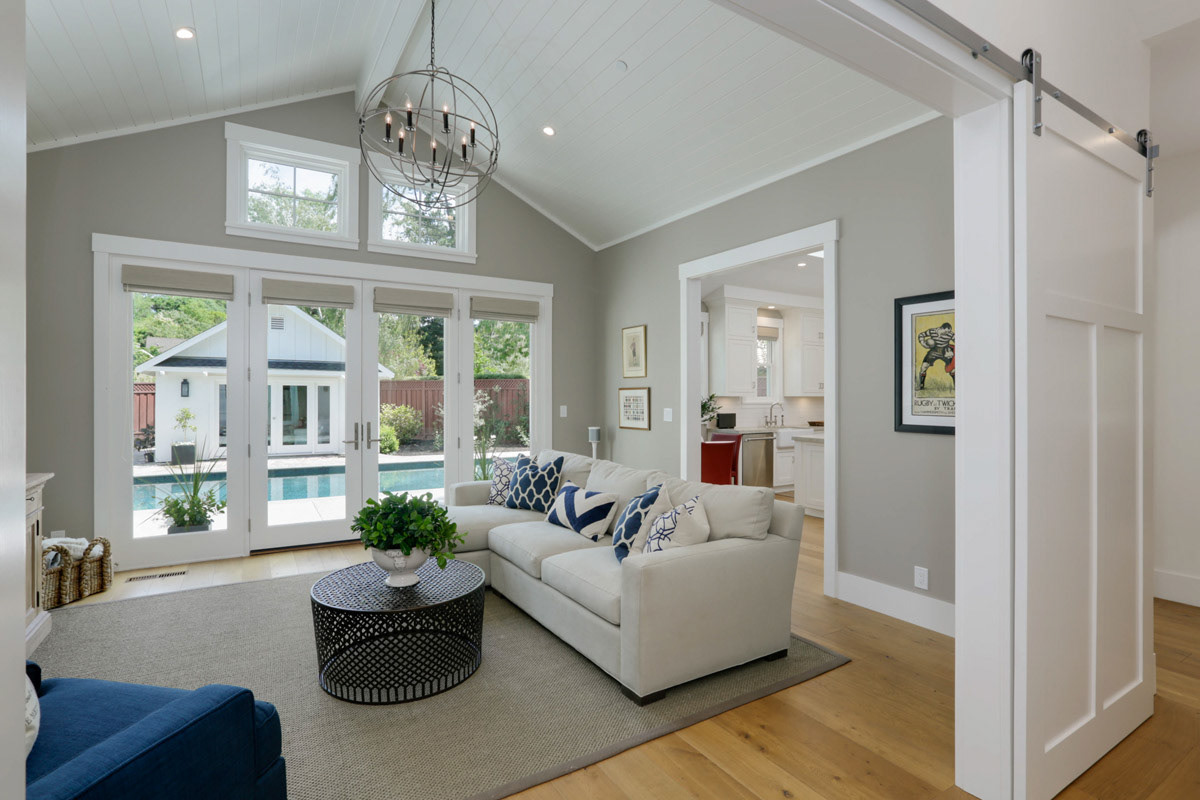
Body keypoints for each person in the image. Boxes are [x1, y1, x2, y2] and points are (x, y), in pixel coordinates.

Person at [917, 321, 955, 390]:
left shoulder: (950, 334)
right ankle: (921, 385)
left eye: (949, 332)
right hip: (934, 350)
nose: (948, 333)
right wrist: (923, 343)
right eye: (947, 331)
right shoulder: (932, 331)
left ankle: (956, 386)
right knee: (924, 367)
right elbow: (921, 335)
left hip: (945, 351)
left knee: (952, 369)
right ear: (942, 328)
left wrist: (952, 351)